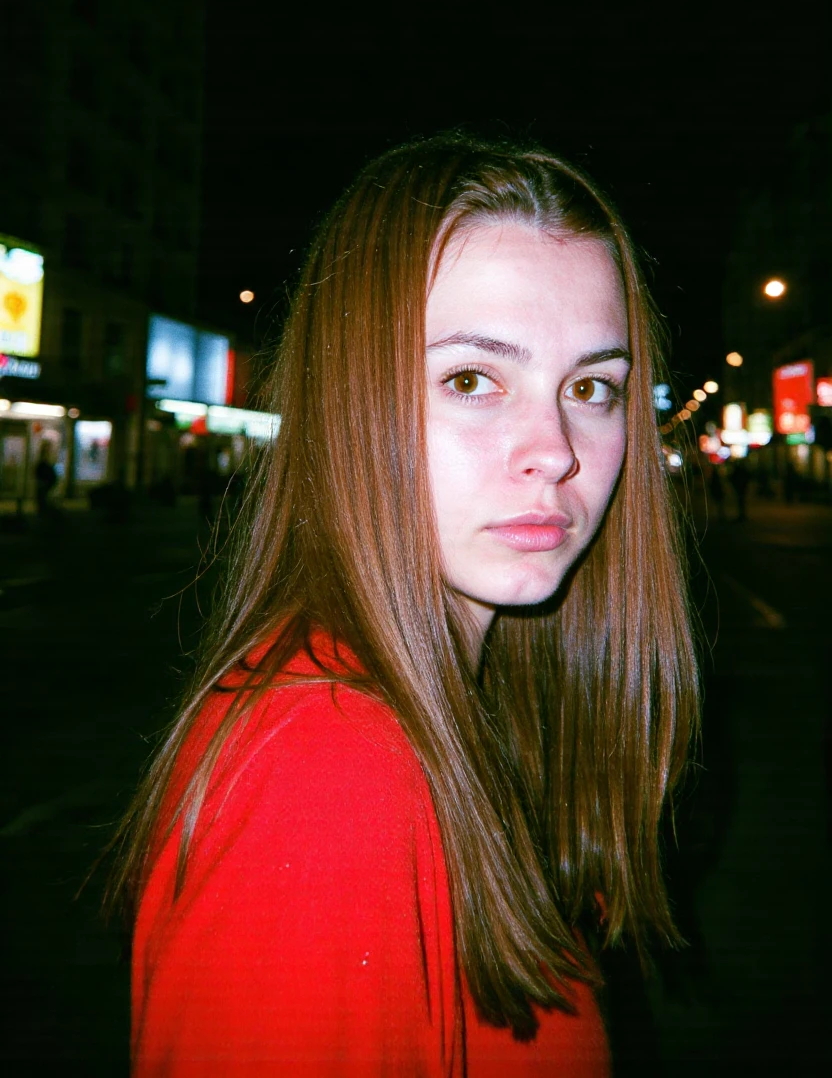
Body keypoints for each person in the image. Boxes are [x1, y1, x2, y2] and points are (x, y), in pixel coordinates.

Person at [110, 133, 699, 1075]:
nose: (556, 450)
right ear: (349, 399)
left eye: (592, 387)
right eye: (471, 380)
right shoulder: (325, 772)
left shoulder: (474, 707)